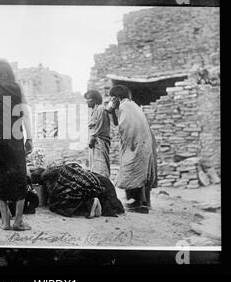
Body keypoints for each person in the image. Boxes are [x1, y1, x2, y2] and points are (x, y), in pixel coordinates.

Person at [0, 60, 33, 230]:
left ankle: (4, 222)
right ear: (10, 72)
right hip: (14, 138)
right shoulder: (16, 88)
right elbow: (24, 113)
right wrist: (29, 138)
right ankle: (18, 221)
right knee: (19, 179)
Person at [108, 85, 158, 214]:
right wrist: (113, 110)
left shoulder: (125, 107)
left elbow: (123, 127)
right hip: (144, 143)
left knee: (131, 169)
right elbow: (119, 122)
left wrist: (128, 145)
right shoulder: (132, 105)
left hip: (136, 144)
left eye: (113, 97)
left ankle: (137, 205)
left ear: (117, 98)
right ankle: (145, 203)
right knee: (141, 172)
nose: (112, 100)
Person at [30, 163, 124, 218]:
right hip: (93, 181)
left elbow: (53, 192)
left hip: (82, 186)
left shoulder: (44, 176)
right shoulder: (58, 167)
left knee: (57, 206)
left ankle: (90, 204)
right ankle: (96, 202)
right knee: (81, 190)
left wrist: (50, 202)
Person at [84, 90, 118, 178]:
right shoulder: (94, 111)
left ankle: (102, 183)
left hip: (99, 142)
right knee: (95, 166)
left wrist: (92, 138)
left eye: (88, 99)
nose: (86, 101)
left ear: (94, 100)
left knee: (100, 165)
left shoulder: (100, 109)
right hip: (96, 143)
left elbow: (99, 125)